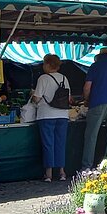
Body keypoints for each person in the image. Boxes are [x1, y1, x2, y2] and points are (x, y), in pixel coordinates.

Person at [31, 54, 71, 182]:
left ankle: (48, 173)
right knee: (61, 143)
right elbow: (69, 98)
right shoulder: (64, 78)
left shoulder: (43, 78)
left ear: (48, 64)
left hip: (46, 115)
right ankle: (62, 172)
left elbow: (37, 98)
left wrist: (32, 95)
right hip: (63, 115)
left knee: (48, 143)